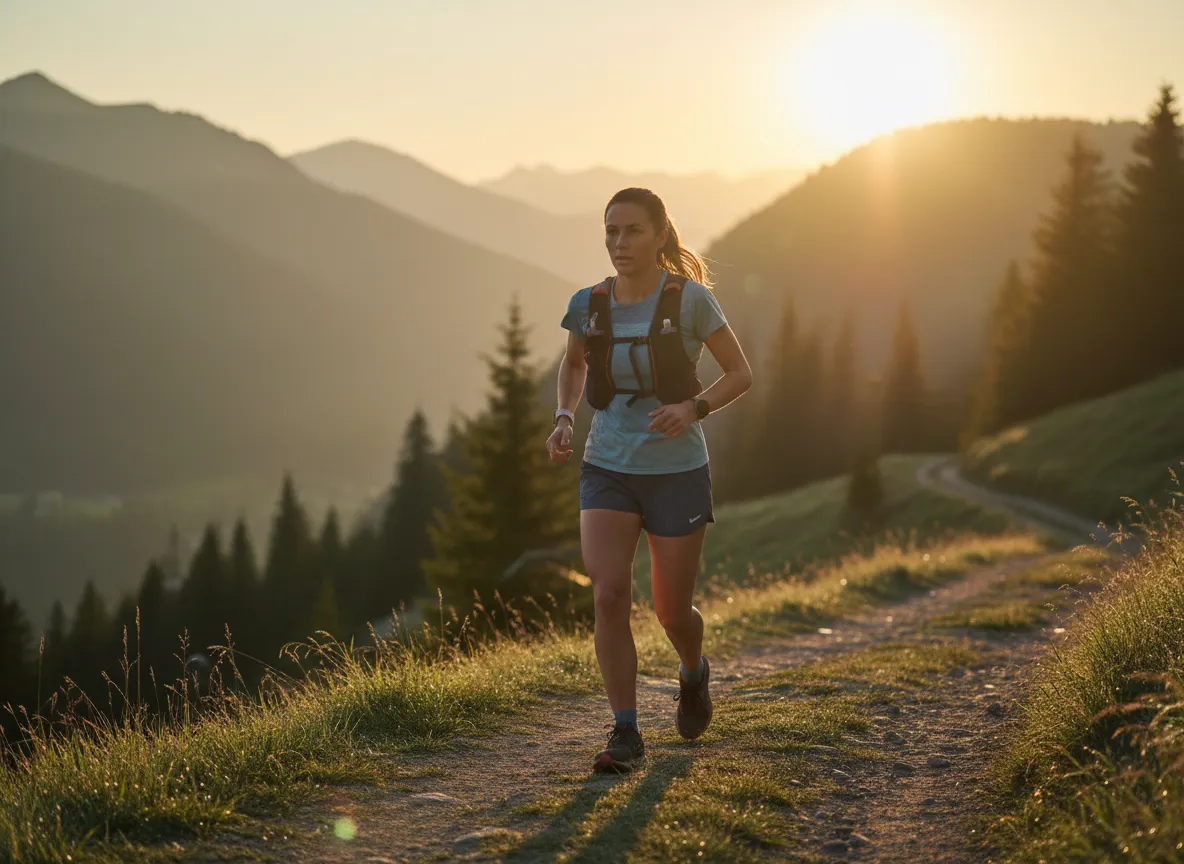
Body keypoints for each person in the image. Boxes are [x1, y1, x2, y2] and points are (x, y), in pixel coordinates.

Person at [546, 187, 753, 773]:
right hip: (606, 466)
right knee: (609, 594)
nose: (618, 243)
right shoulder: (588, 303)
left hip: (677, 472)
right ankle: (626, 731)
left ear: (661, 234)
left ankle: (693, 671)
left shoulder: (691, 301)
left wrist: (695, 408)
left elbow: (740, 372)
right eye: (610, 231)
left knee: (671, 612)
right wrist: (564, 417)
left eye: (632, 231)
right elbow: (575, 363)